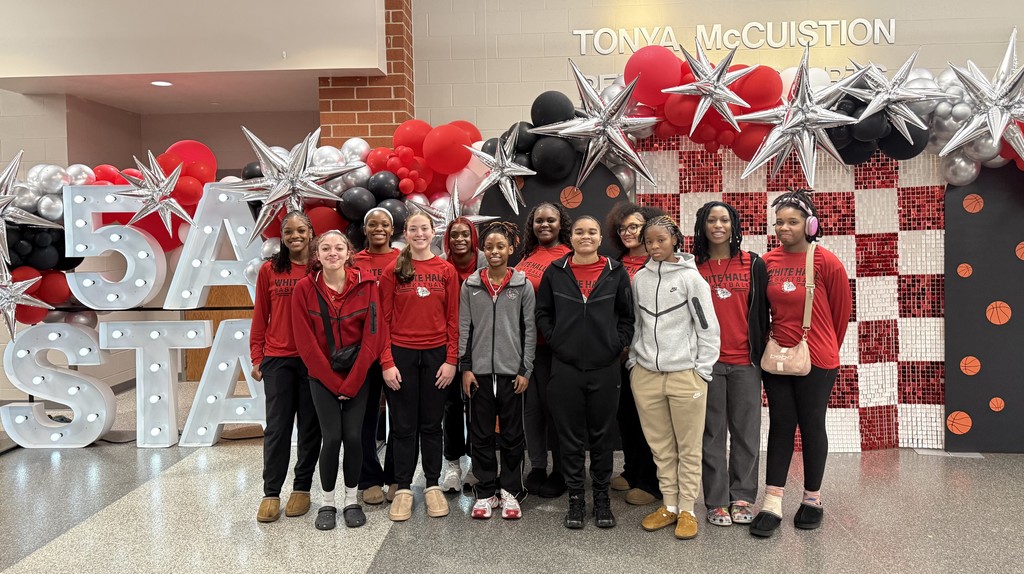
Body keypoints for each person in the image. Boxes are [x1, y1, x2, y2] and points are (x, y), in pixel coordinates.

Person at [750, 189, 851, 538]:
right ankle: (772, 502)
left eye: (792, 221)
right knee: (780, 425)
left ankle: (812, 499)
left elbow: (841, 314)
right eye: (779, 222)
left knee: (811, 426)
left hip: (818, 359)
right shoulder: (766, 263)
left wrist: (823, 351)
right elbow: (761, 314)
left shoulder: (826, 261)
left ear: (810, 224)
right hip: (776, 358)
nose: (783, 228)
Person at [537, 215, 634, 530]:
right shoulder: (556, 271)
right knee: (570, 437)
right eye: (579, 231)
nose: (586, 236)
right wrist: (557, 341)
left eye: (592, 231)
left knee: (603, 436)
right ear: (572, 236)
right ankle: (576, 499)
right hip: (565, 368)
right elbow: (543, 313)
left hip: (605, 368)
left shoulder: (615, 272)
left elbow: (626, 317)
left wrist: (615, 345)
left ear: (599, 237)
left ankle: (602, 498)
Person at [628, 215, 721, 541]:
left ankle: (687, 510)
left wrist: (701, 371)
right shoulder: (639, 278)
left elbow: (707, 328)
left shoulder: (691, 280)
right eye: (649, 241)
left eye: (660, 240)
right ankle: (668, 504)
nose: (654, 246)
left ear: (674, 241)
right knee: (661, 448)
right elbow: (638, 325)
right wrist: (633, 363)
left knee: (688, 448)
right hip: (646, 376)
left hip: (685, 376)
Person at [290, 230, 388, 530]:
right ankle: (328, 502)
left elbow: (374, 335)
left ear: (349, 253)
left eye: (339, 247)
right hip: (322, 377)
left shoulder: (368, 286)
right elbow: (305, 344)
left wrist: (353, 381)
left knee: (356, 437)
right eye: (326, 248)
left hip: (359, 376)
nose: (332, 253)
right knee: (331, 438)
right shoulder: (304, 289)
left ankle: (350, 499)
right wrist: (334, 383)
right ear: (317, 255)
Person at [379, 212, 460, 522]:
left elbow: (453, 319)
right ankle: (402, 489)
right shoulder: (393, 271)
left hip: (437, 355)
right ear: (406, 233)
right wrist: (387, 362)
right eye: (413, 229)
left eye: (424, 228)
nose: (420, 233)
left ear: (432, 231)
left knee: (430, 424)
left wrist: (451, 360)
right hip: (401, 355)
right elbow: (382, 321)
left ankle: (432, 484)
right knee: (402, 426)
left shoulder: (446, 270)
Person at [692, 201, 768, 527]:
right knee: (711, 435)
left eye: (725, 219)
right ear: (702, 225)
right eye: (712, 219)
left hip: (745, 362)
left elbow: (765, 312)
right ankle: (716, 501)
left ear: (734, 224)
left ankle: (742, 497)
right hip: (707, 363)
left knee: (746, 434)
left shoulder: (752, 263)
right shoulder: (692, 267)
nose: (718, 225)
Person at [459, 221, 536, 520]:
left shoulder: (522, 284)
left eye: (500, 247)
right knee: (480, 433)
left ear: (510, 249)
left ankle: (511, 491)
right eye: (489, 247)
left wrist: (525, 369)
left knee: (513, 434)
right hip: (477, 374)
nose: (494, 251)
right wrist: (466, 368)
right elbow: (464, 327)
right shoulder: (471, 285)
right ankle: (487, 490)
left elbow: (529, 330)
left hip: (511, 372)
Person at [251, 211, 323, 524]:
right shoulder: (270, 270)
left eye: (301, 230)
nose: (295, 236)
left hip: (314, 360)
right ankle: (271, 492)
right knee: (277, 429)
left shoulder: (321, 269)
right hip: (278, 358)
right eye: (289, 232)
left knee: (310, 428)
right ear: (282, 237)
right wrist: (257, 356)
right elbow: (260, 316)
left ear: (311, 233)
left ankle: (302, 488)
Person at [605, 202, 664, 507]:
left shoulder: (659, 264)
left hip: (649, 355)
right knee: (626, 416)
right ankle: (631, 470)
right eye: (622, 228)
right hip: (620, 355)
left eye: (634, 227)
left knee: (649, 420)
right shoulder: (615, 264)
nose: (627, 232)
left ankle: (651, 482)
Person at [518, 202, 573, 498]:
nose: (544, 225)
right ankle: (538, 466)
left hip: (557, 349)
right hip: (529, 348)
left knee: (557, 412)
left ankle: (561, 470)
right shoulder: (527, 256)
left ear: (560, 223)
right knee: (533, 411)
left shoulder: (568, 256)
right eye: (539, 220)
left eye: (550, 220)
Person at [351, 208, 401, 506]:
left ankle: (397, 475)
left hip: (397, 347)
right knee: (364, 417)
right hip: (363, 349)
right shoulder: (353, 261)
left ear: (392, 228)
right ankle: (368, 477)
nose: (378, 228)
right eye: (373, 224)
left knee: (400, 417)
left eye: (384, 224)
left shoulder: (403, 259)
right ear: (364, 228)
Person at [440, 217, 486, 493]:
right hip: (448, 344)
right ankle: (453, 464)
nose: (459, 239)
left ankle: (478, 465)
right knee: (451, 406)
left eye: (464, 235)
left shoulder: (486, 263)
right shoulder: (441, 266)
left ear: (473, 238)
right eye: (454, 235)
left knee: (479, 405)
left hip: (479, 344)